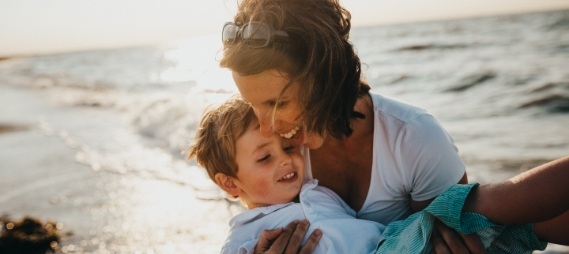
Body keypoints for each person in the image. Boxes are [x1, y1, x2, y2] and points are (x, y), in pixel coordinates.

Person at [219, 0, 471, 251]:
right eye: (252, 104)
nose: (266, 128)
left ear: (325, 78)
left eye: (278, 103)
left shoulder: (415, 140)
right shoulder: (278, 157)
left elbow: (457, 241)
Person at [186, 97, 569, 253]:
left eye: (287, 148)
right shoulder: (245, 234)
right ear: (229, 184)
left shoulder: (316, 191)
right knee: (481, 205)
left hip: (399, 242)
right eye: (265, 158)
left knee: (527, 226)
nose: (287, 161)